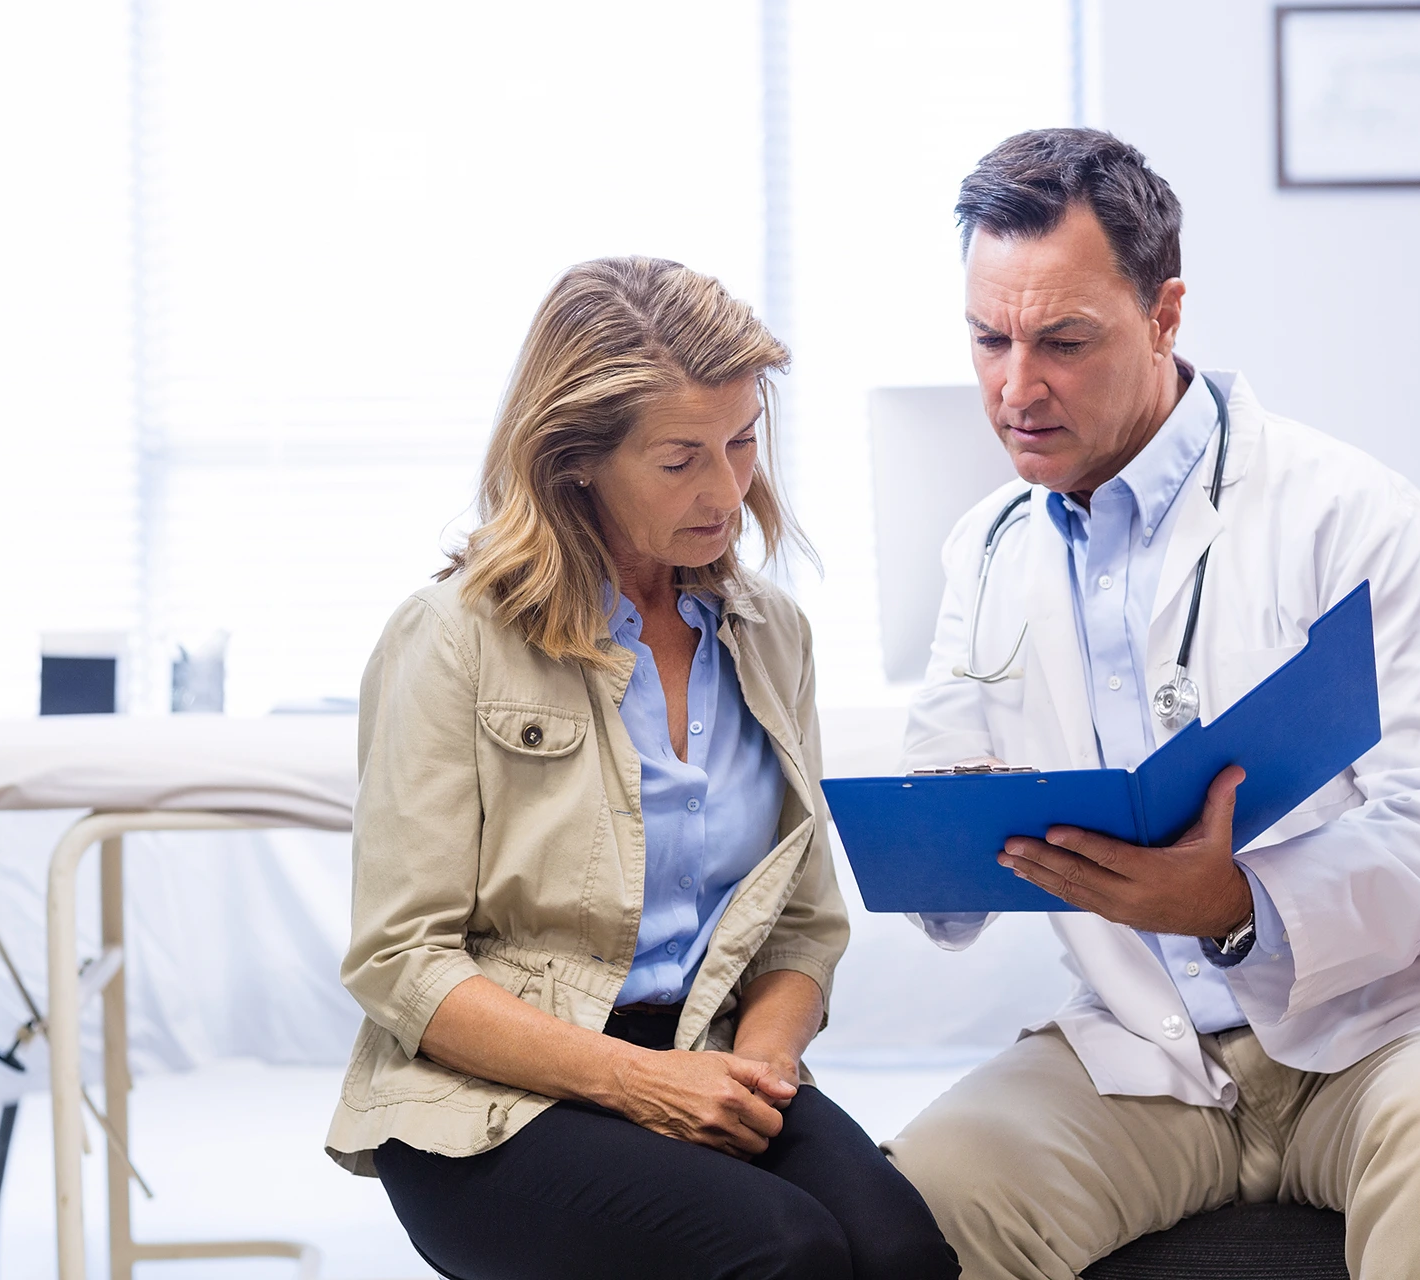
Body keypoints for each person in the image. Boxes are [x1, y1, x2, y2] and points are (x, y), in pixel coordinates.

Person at [882, 129, 1420, 1280]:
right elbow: (948, 807)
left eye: (1063, 341)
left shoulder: (1347, 512)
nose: (1015, 386)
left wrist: (1241, 900)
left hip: (1396, 1025)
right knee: (922, 1201)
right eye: (988, 338)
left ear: (1165, 313)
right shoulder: (985, 550)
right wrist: (931, 848)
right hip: (1155, 1053)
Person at [325, 256, 958, 1280]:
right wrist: (642, 1083)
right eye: (680, 459)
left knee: (900, 1254)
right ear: (575, 459)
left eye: (742, 441)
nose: (726, 489)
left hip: (703, 1051)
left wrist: (761, 1062)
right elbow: (400, 958)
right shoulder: (450, 638)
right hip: (486, 1101)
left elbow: (801, 922)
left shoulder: (770, 634)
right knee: (784, 1252)